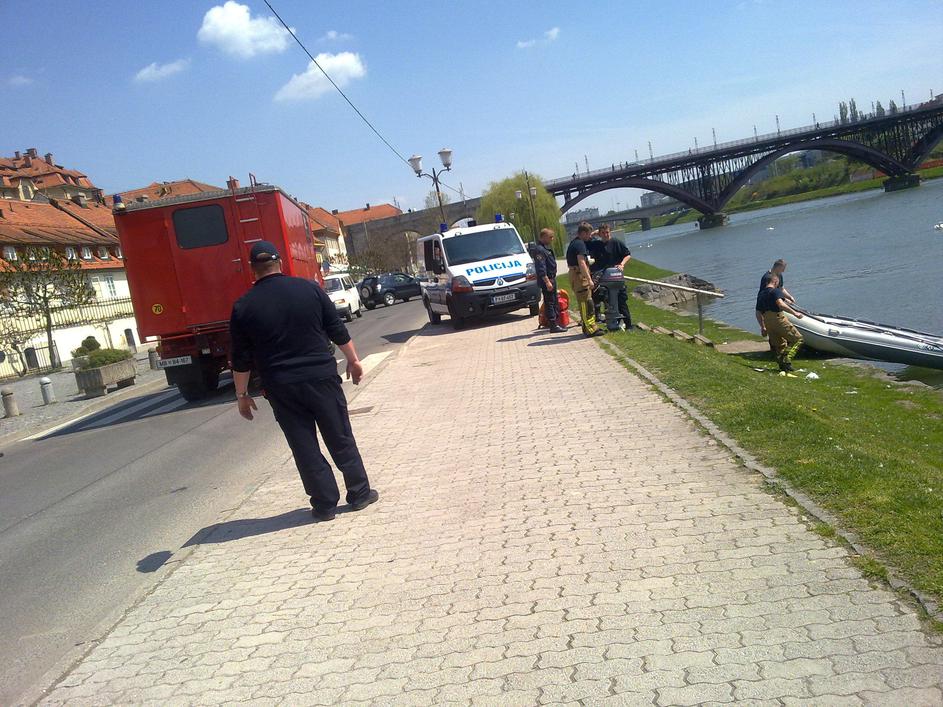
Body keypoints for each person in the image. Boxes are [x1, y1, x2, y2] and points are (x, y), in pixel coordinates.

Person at [229, 241, 379, 522]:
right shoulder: (309, 289)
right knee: (340, 435)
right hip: (321, 377)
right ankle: (359, 494)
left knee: (303, 445)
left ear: (252, 269)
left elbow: (240, 358)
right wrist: (353, 359)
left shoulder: (243, 307)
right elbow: (336, 327)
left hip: (281, 386)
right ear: (280, 263)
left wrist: (241, 395)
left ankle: (324, 505)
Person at [587, 223, 633, 329]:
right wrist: (593, 233)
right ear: (600, 234)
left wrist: (622, 264)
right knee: (606, 301)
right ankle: (611, 322)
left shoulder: (616, 242)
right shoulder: (596, 244)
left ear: (610, 232)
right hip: (603, 278)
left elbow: (627, 254)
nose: (605, 235)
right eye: (603, 233)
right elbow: (584, 240)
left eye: (607, 232)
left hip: (616, 276)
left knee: (621, 301)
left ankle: (628, 325)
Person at [755, 273, 804, 372]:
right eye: (777, 282)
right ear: (775, 281)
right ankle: (786, 360)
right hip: (778, 318)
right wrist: (795, 313)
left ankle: (783, 366)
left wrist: (763, 327)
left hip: (767, 321)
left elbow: (757, 312)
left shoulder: (761, 294)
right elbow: (781, 304)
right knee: (798, 339)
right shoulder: (775, 291)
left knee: (780, 345)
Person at [566, 223, 604, 337]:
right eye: (588, 234)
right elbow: (581, 262)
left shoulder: (574, 242)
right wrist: (589, 279)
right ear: (583, 233)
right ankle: (590, 328)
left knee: (585, 302)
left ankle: (587, 326)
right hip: (579, 276)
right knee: (586, 303)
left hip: (575, 274)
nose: (590, 236)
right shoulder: (580, 245)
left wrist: (594, 232)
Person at [533, 228, 566, 333]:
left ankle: (555, 322)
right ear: (543, 237)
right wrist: (547, 282)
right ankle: (553, 325)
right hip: (547, 280)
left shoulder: (544, 249)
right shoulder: (539, 250)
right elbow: (541, 268)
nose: (552, 239)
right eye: (550, 237)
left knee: (553, 300)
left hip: (551, 278)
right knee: (550, 302)